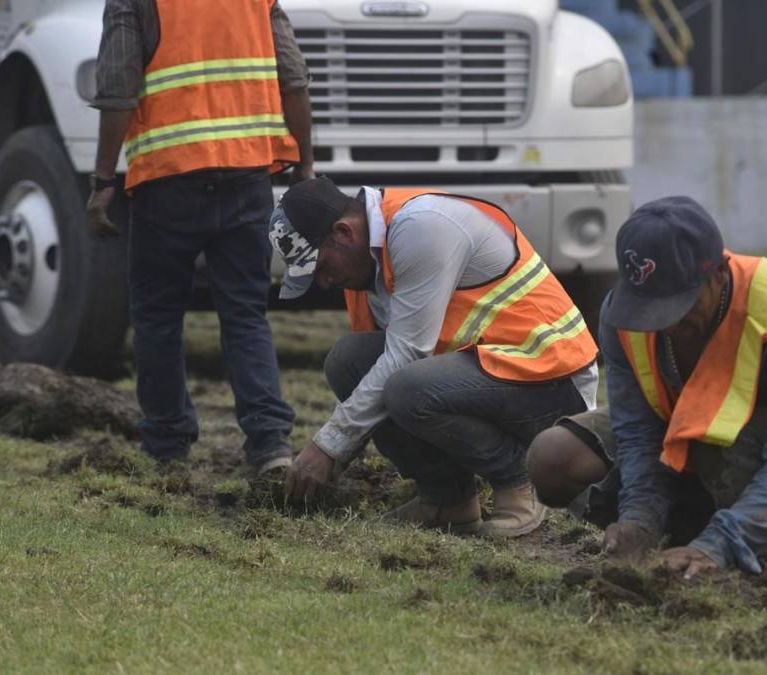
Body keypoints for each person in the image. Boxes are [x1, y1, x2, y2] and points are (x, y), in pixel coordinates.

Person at [526, 197, 767, 587]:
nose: (664, 326)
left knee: (711, 430)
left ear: (719, 275)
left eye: (677, 308)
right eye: (648, 309)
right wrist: (641, 520)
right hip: (685, 440)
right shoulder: (620, 315)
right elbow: (637, 432)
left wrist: (719, 544)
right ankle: (680, 539)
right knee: (555, 457)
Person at [271, 178, 599, 537]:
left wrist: (328, 447)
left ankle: (519, 479)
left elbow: (407, 355)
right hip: (491, 379)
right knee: (348, 360)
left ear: (344, 232)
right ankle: (447, 499)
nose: (323, 282)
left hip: (550, 382)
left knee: (406, 386)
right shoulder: (368, 262)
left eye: (319, 266)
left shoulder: (420, 227)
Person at [86, 0, 315, 478]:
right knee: (246, 313)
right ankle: (270, 443)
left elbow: (118, 87)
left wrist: (103, 180)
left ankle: (167, 445)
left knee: (157, 316)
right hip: (246, 175)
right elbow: (292, 76)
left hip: (167, 180)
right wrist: (305, 162)